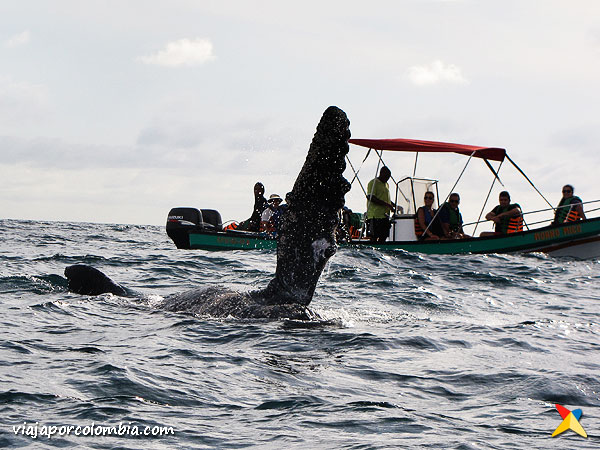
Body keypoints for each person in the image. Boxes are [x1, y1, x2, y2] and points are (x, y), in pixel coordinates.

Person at [366, 166, 396, 243]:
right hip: (375, 215)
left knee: (384, 235)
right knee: (374, 236)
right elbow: (370, 197)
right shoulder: (373, 183)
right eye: (386, 176)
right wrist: (387, 205)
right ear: (381, 173)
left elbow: (386, 199)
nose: (387, 179)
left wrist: (393, 204)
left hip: (385, 215)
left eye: (388, 177)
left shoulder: (386, 184)